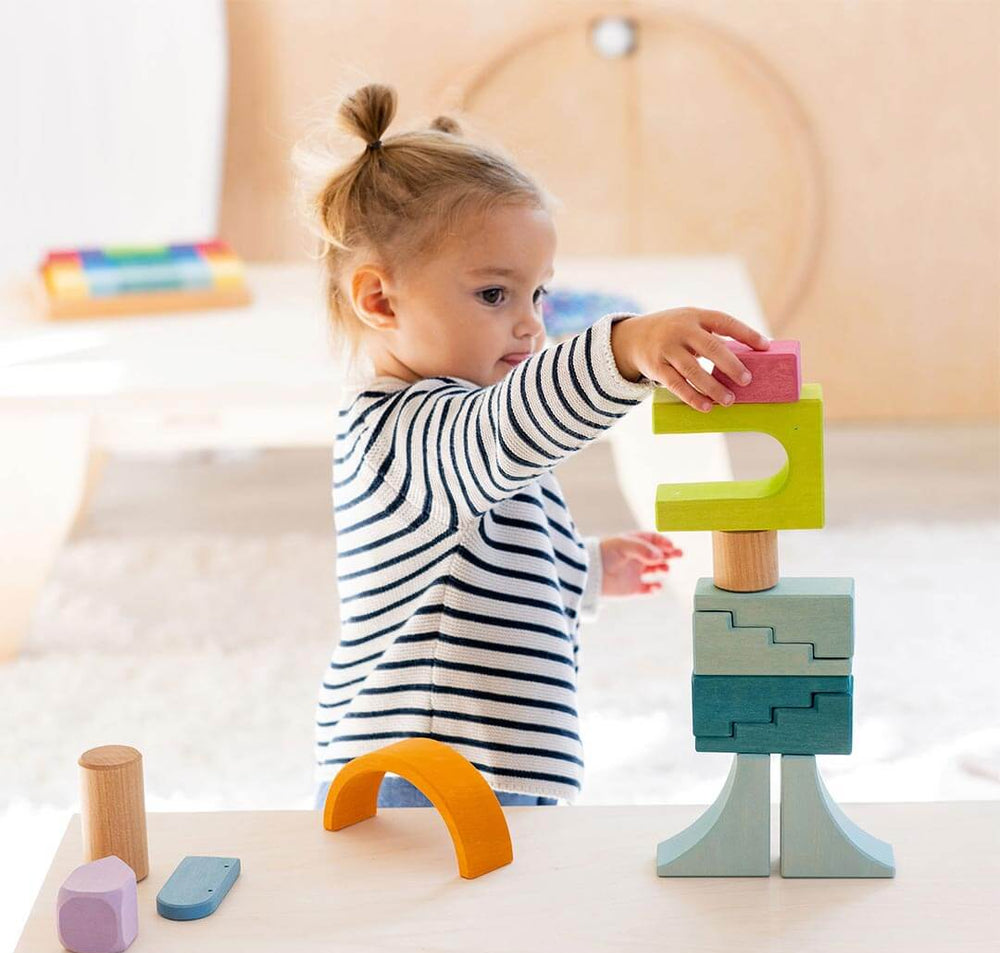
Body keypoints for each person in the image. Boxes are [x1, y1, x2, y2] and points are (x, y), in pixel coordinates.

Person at [298, 83, 770, 811]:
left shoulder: (453, 428)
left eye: (538, 296)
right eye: (495, 295)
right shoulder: (400, 431)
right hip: (422, 773)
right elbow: (514, 426)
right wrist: (623, 346)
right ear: (381, 300)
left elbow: (472, 553)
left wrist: (579, 566)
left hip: (486, 765)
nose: (530, 327)